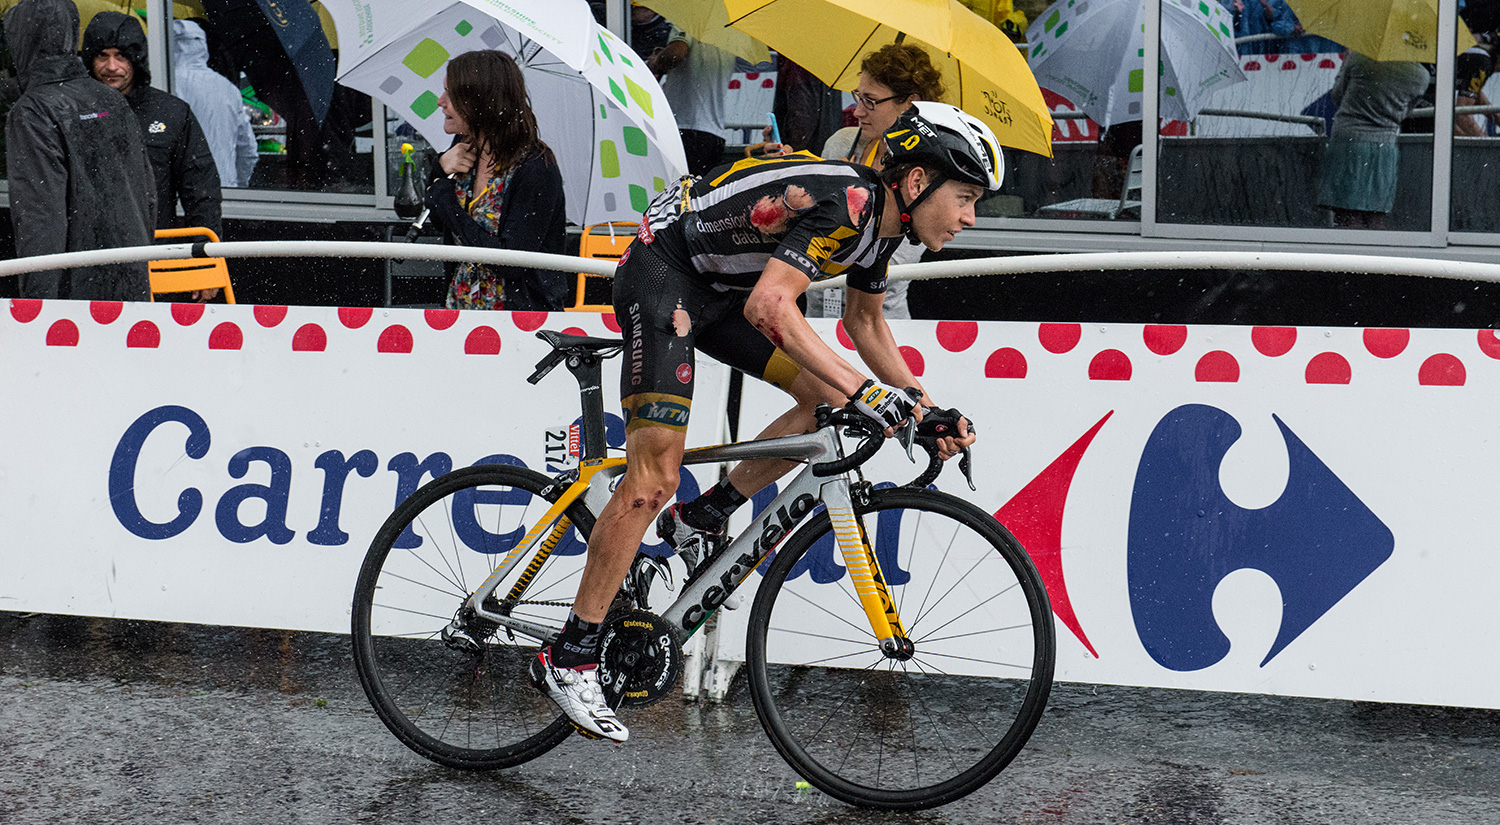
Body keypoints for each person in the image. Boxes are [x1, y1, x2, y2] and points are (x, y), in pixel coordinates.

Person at [530, 102, 991, 742]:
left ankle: (701, 515)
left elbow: (865, 324)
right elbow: (771, 305)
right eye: (965, 199)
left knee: (830, 402)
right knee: (652, 478)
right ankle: (570, 655)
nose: (970, 218)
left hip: (721, 291)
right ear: (917, 182)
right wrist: (872, 392)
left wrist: (922, 406)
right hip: (665, 274)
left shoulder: (883, 229)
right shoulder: (850, 203)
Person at [4, 0, 156, 301]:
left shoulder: (33, 110)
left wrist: (37, 302)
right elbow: (147, 194)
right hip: (129, 278)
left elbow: (40, 216)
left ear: (20, 40)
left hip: (70, 293)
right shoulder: (109, 99)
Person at [808, 43, 948, 319]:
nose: (857, 111)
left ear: (910, 103)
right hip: (816, 317)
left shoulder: (927, 172)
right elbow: (803, 232)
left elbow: (892, 265)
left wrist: (846, 205)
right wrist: (788, 175)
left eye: (870, 101)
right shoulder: (842, 144)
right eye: (858, 97)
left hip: (879, 324)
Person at [424, 49, 568, 311]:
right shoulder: (464, 148)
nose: (440, 101)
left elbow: (511, 262)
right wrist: (440, 167)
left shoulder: (536, 169)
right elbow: (437, 218)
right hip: (459, 311)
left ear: (479, 102)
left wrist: (446, 201)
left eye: (451, 94)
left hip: (518, 319)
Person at [82, 12, 221, 238]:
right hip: (90, 249)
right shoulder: (74, 111)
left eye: (121, 56)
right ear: (90, 60)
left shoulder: (171, 112)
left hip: (154, 245)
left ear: (136, 58)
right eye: (102, 56)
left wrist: (204, 250)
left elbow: (201, 190)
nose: (112, 66)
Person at [1316, 52, 1430, 229]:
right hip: (1385, 147)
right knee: (1377, 213)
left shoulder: (1360, 58)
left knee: (1347, 213)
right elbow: (1405, 112)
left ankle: (1347, 247)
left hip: (1349, 140)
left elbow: (1338, 96)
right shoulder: (1420, 74)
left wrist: (1344, 66)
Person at [171, 19, 258, 190]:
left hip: (180, 192)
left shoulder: (166, 83)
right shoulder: (228, 88)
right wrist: (238, 186)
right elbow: (248, 150)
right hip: (224, 189)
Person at [648, 26, 737, 176]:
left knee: (673, 188)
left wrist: (656, 61)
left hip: (684, 129)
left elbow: (676, 53)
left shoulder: (688, 23)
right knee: (700, 189)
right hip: (714, 134)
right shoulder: (730, 33)